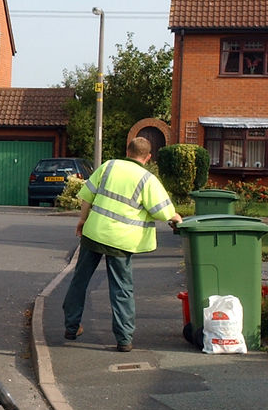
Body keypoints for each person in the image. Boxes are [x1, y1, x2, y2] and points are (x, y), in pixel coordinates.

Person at [61, 137, 182, 352]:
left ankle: (71, 328)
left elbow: (87, 195)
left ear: (127, 151)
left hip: (94, 233)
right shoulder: (147, 179)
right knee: (121, 289)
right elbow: (162, 211)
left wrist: (82, 220)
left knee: (80, 280)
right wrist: (176, 218)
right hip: (121, 241)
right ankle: (124, 339)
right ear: (148, 157)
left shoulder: (108, 166)